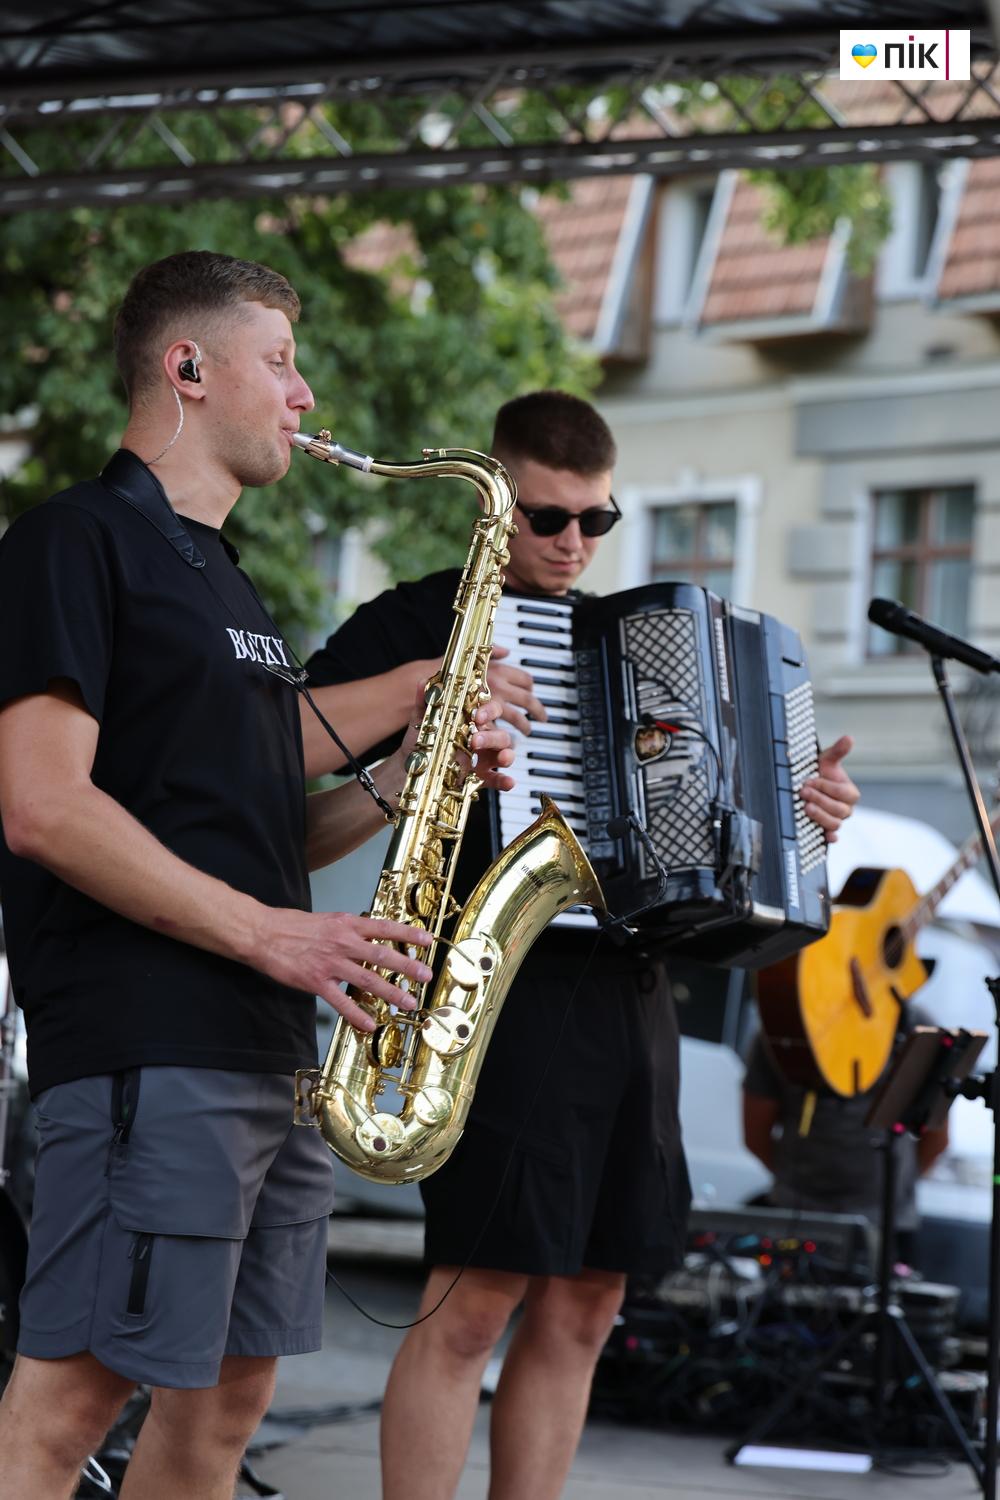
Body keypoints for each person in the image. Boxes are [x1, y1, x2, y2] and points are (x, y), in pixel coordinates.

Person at [0, 249, 514, 1500]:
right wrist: (276, 937)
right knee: (72, 1398)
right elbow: (41, 806)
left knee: (231, 1394)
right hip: (145, 1037)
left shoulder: (228, 585)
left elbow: (264, 835)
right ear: (188, 368)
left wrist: (411, 772)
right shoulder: (76, 540)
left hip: (265, 1048)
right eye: (278, 361)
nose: (303, 395)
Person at [303, 389, 861, 1500]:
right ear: (495, 508)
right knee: (473, 1301)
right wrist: (426, 734)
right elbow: (292, 751)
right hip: (497, 991)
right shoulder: (415, 622)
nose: (572, 545)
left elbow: (704, 827)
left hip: (629, 991)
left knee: (590, 1301)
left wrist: (798, 811)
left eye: (594, 523)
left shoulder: (632, 643)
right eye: (550, 519)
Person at [743, 1006, 949, 1266]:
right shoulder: (785, 1023)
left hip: (886, 1223)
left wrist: (895, 1184)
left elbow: (937, 1136)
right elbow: (756, 1132)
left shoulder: (914, 1023)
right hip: (795, 1217)